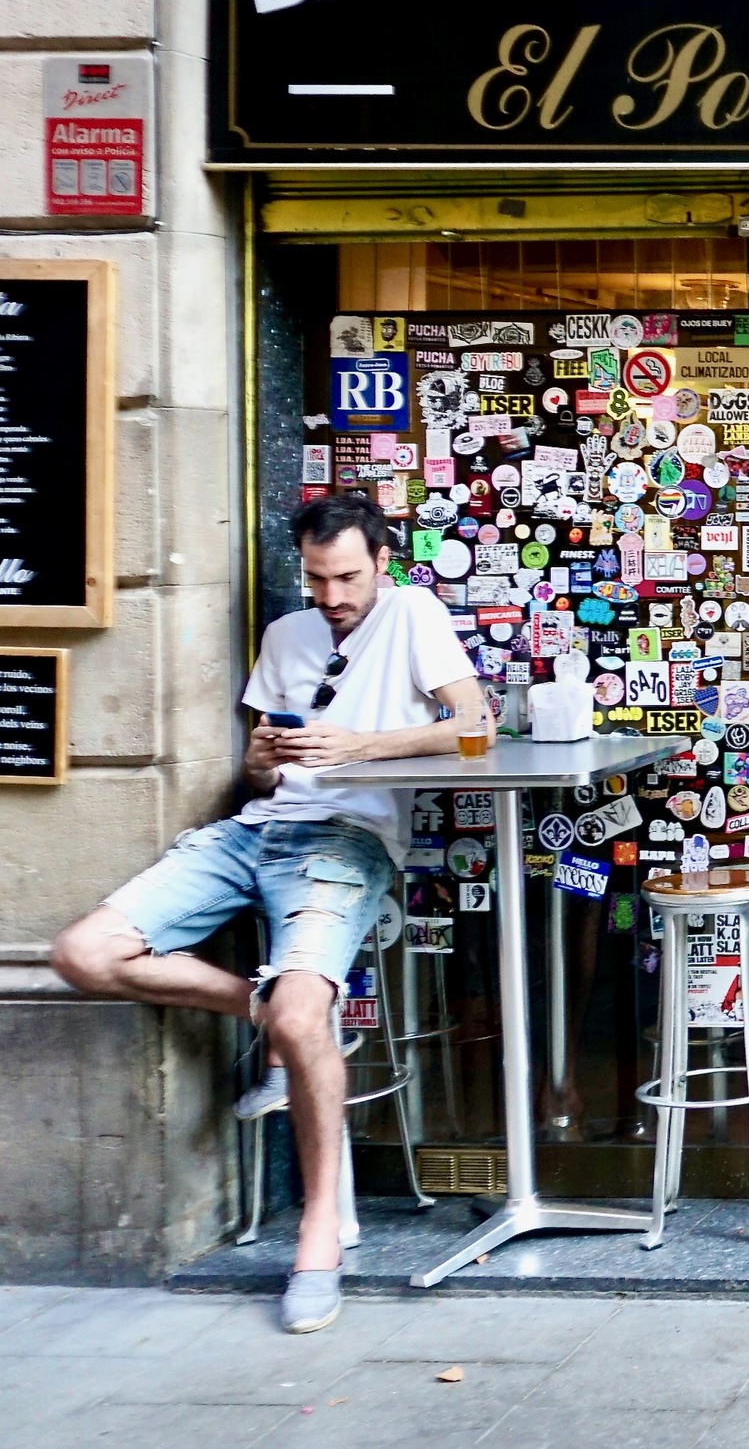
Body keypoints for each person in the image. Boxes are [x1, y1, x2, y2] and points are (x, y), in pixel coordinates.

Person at [50, 490, 487, 1334]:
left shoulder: (413, 613)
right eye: (319, 579)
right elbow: (260, 773)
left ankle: (319, 1233)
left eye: (349, 577)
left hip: (346, 841)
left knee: (302, 1014)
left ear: (382, 561)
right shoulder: (286, 635)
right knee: (81, 952)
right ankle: (275, 1019)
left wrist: (360, 745)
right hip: (254, 831)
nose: (334, 596)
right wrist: (257, 760)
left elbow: (471, 721)